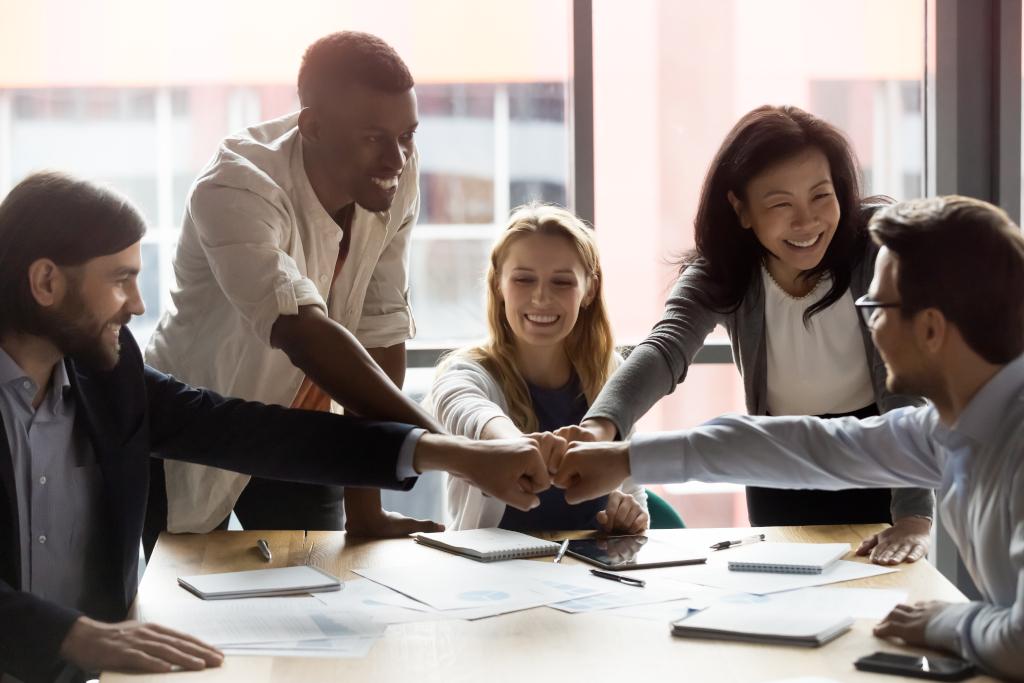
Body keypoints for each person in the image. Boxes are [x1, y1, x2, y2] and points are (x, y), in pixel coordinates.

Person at [0, 172, 553, 682]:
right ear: (46, 281)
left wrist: (448, 454)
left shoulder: (110, 373)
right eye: (120, 281)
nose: (137, 305)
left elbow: (247, 432)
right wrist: (72, 637)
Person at [551, 195, 1024, 681]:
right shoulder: (949, 429)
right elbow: (803, 446)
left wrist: (951, 619)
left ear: (929, 329)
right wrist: (625, 458)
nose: (870, 323)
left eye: (877, 307)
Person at [559, 105, 933, 564]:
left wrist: (914, 515)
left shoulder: (876, 252)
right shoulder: (723, 272)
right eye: (780, 205)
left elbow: (905, 391)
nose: (807, 222)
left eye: (821, 196)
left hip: (879, 456)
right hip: (776, 462)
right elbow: (663, 350)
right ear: (741, 209)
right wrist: (598, 429)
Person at [144, 31, 445, 546]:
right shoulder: (236, 185)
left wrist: (366, 511)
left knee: (318, 600)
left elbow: (380, 326)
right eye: (374, 137)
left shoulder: (395, 174)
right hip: (197, 425)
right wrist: (447, 447)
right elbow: (302, 331)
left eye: (407, 136)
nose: (397, 160)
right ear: (313, 126)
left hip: (302, 433)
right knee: (175, 604)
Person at [427, 204, 648, 533]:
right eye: (524, 279)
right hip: (494, 578)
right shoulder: (467, 372)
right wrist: (515, 446)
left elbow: (633, 494)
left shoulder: (611, 373)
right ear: (498, 285)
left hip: (589, 575)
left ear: (589, 290)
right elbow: (462, 408)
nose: (541, 297)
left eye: (561, 282)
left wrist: (627, 518)